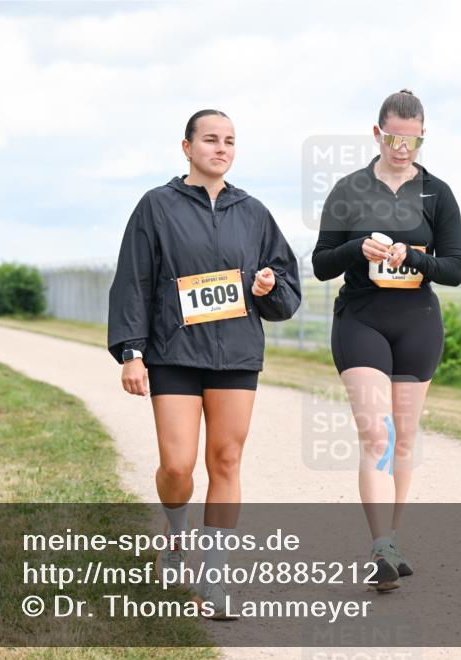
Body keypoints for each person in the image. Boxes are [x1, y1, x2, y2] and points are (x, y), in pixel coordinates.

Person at [107, 109, 301, 619]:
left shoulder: (253, 212)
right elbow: (134, 280)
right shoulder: (156, 206)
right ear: (187, 147)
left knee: (227, 461)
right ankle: (175, 538)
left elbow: (286, 287)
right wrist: (131, 352)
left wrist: (268, 286)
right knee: (177, 465)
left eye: (230, 141)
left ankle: (214, 580)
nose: (221, 149)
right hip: (174, 352)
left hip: (236, 354)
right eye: (211, 140)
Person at [312, 89, 461, 592]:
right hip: (361, 319)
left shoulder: (437, 194)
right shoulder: (349, 189)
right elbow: (321, 264)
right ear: (378, 134)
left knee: (404, 438)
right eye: (395, 138)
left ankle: (391, 541)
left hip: (418, 321)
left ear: (423, 137)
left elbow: (455, 269)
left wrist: (414, 257)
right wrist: (357, 248)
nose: (403, 148)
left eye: (413, 140)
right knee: (376, 436)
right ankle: (380, 547)